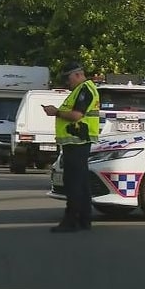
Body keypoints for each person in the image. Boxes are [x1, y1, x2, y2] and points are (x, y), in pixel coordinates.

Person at [43, 62, 100, 233]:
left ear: (77, 74)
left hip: (78, 142)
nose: (67, 82)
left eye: (68, 78)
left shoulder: (85, 90)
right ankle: (84, 219)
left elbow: (76, 115)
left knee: (74, 183)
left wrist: (56, 112)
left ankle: (71, 220)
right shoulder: (80, 90)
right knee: (81, 183)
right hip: (76, 142)